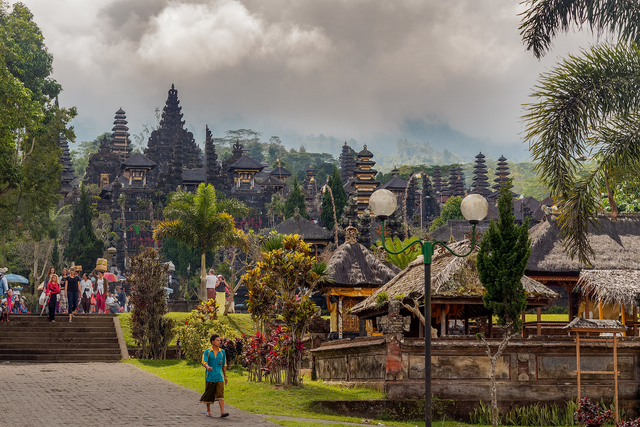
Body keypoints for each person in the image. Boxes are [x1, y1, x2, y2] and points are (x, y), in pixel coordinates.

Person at [200, 334, 229, 418]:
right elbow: (204, 361)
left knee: (220, 394)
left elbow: (224, 365)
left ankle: (222, 412)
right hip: (209, 377)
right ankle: (208, 411)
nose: (219, 342)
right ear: (212, 342)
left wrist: (225, 377)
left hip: (219, 377)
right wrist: (208, 367)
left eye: (219, 340)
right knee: (209, 394)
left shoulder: (222, 352)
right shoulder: (207, 352)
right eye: (217, 340)